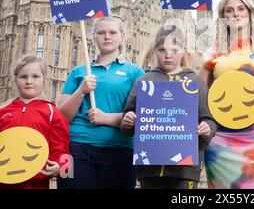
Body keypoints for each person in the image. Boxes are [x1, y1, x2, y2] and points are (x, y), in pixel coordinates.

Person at [200, 0, 254, 189]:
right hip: (220, 135)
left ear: (250, 13)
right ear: (223, 17)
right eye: (229, 10)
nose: (236, 14)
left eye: (240, 9)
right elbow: (200, 92)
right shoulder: (214, 50)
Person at [120, 24, 216, 189]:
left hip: (185, 169)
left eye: (174, 50)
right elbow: (127, 120)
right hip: (149, 168)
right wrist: (127, 121)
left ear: (183, 50)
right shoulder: (144, 82)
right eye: (162, 50)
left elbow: (209, 119)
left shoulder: (195, 83)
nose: (168, 55)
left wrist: (207, 128)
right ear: (155, 51)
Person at [57, 16, 144, 189]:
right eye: (101, 32)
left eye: (112, 32)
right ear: (93, 36)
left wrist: (106, 118)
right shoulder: (78, 72)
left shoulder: (135, 72)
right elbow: (63, 117)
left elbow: (144, 117)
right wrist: (81, 91)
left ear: (122, 37)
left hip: (119, 149)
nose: (107, 37)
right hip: (76, 147)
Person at [0, 54, 70, 189]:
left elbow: (63, 150)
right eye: (23, 76)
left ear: (45, 80)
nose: (29, 81)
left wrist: (61, 168)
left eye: (35, 76)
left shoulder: (52, 112)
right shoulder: (2, 110)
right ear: (15, 80)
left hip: (36, 183)